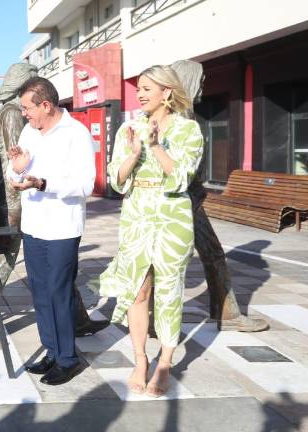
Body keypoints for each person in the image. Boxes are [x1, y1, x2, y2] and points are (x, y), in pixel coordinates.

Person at [0, 64, 108, 350]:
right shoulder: (13, 115)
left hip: (40, 207)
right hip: (17, 205)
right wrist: (22, 183)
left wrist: (38, 181)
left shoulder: (62, 128)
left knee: (59, 277)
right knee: (8, 267)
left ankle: (76, 326)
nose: (27, 112)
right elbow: (15, 161)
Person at [98, 65, 204, 397]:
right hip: (136, 214)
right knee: (137, 291)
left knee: (169, 291)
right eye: (139, 89)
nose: (140, 94)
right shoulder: (128, 128)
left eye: (147, 88)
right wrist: (134, 154)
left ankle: (165, 363)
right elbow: (116, 179)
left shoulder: (189, 130)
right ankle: (141, 359)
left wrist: (157, 147)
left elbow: (182, 178)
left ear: (166, 91)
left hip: (173, 217)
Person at [7, 77, 95, 385]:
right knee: (41, 293)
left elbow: (85, 184)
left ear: (46, 105)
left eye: (27, 108)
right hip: (33, 224)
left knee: (59, 292)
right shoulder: (29, 132)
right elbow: (15, 171)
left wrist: (43, 183)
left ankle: (68, 359)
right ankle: (52, 351)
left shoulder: (76, 133)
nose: (24, 114)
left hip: (62, 227)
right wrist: (18, 169)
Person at [170, 60, 268, 332]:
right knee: (177, 259)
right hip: (184, 201)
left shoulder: (184, 116)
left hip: (191, 199)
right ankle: (162, 319)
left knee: (209, 254)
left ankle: (226, 313)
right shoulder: (180, 120)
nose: (203, 86)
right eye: (200, 81)